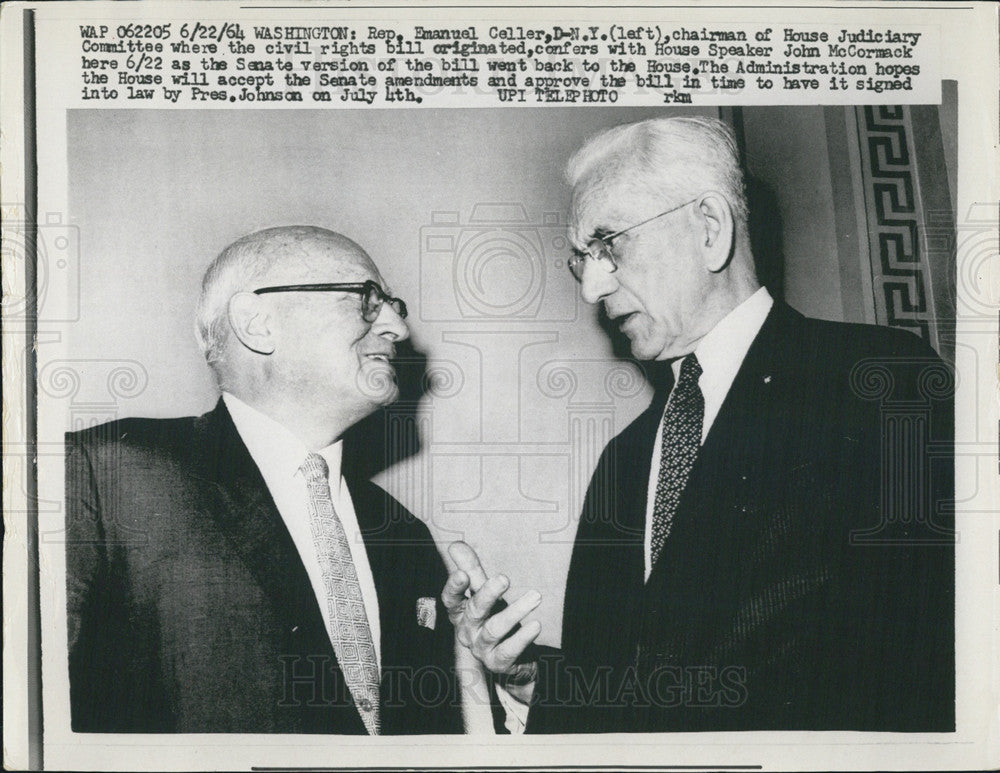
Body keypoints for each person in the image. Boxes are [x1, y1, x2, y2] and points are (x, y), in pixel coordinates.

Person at [444, 116, 954, 733]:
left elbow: (922, 663)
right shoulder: (624, 458)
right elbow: (638, 675)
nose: (592, 289)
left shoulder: (876, 382)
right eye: (582, 261)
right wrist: (534, 678)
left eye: (609, 244)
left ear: (710, 229)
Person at [65, 226, 463, 734]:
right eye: (365, 298)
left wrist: (474, 678)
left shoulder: (403, 533)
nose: (396, 327)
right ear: (258, 324)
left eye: (393, 304)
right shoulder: (109, 475)